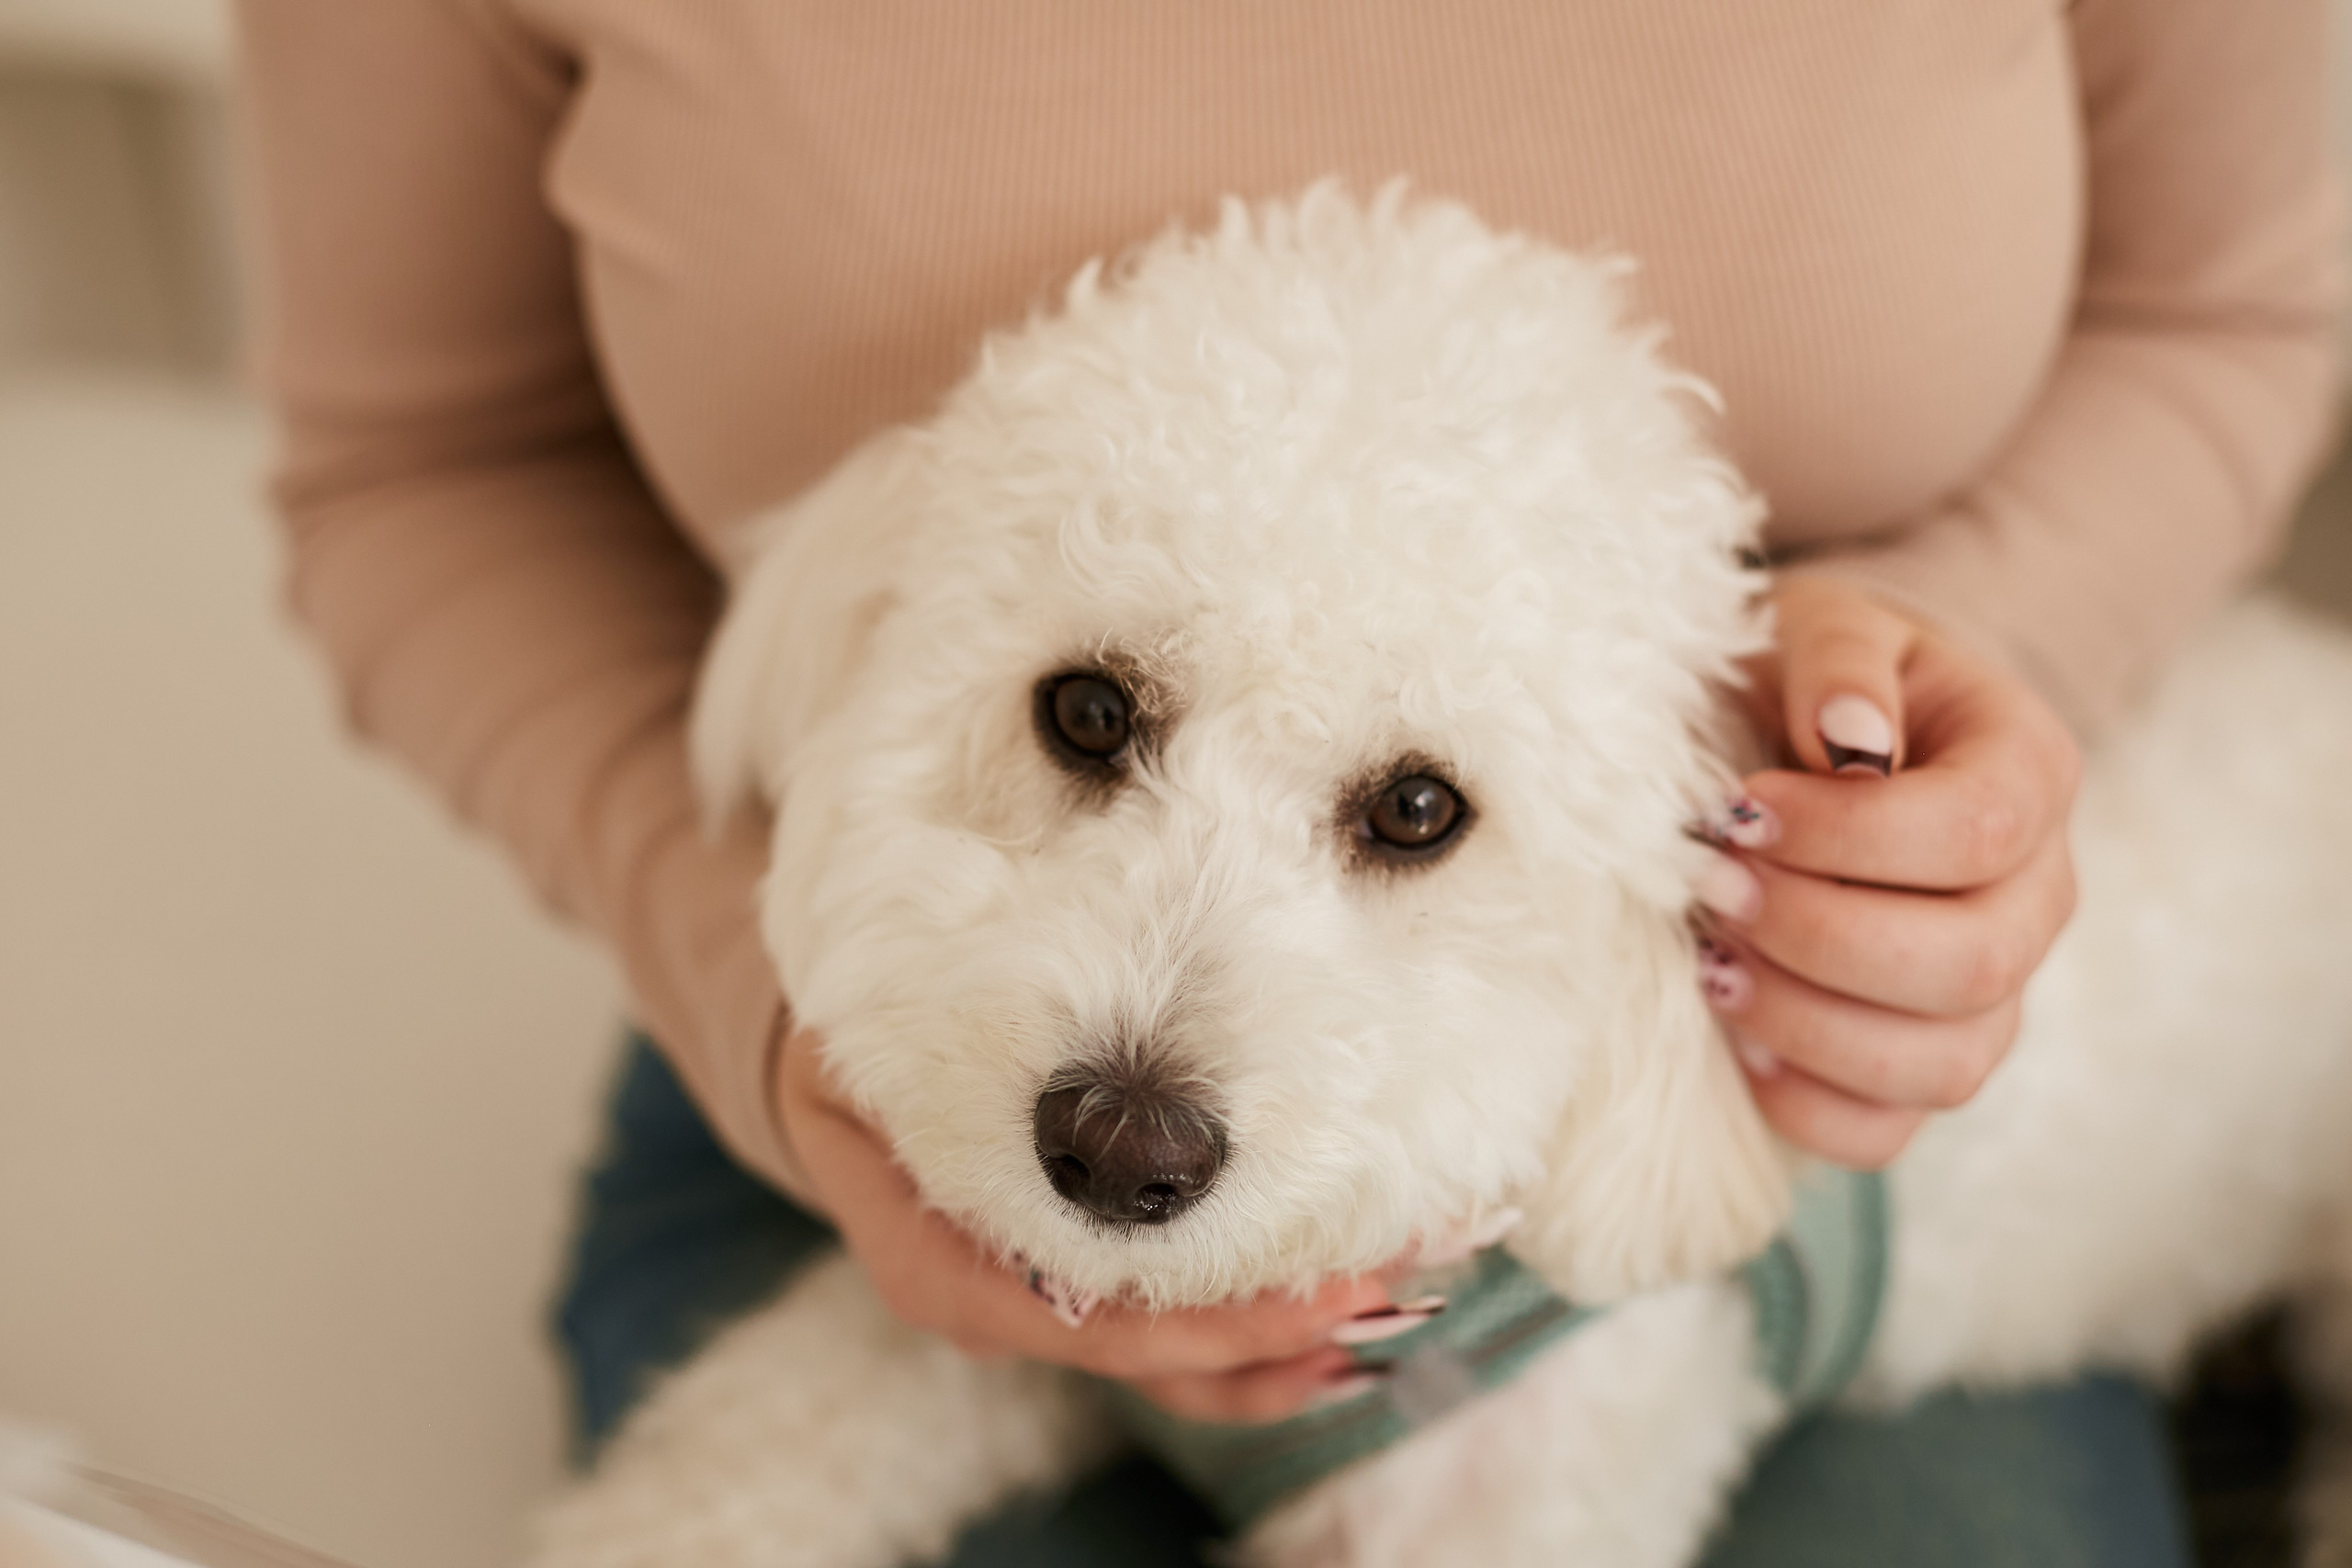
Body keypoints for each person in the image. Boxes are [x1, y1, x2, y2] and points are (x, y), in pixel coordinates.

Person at [233, 3, 2342, 1562]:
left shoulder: (1618, 999)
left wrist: (1922, 697)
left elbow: (2229, 297)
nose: (1128, 1082)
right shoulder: (935, 826)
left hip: (1862, 1034)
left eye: (1404, 813)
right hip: (806, 1040)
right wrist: (770, 1017)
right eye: (1088, 721)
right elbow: (424, 462)